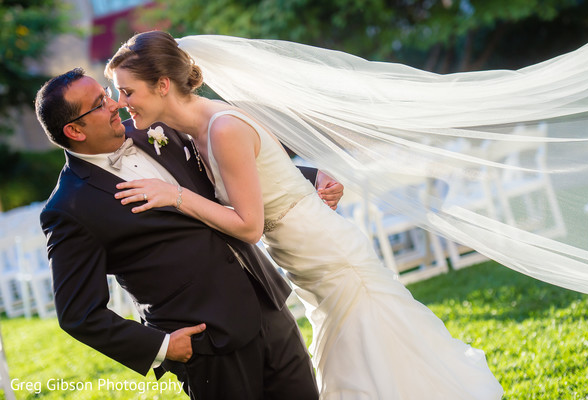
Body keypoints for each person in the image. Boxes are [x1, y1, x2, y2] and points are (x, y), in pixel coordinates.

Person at [106, 30, 504, 399]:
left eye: (126, 91)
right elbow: (264, 176)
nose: (120, 103)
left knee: (378, 360)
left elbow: (248, 225)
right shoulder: (189, 130)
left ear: (162, 85)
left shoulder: (223, 128)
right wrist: (310, 177)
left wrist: (175, 196)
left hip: (328, 257)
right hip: (304, 263)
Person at [34, 68, 343, 399]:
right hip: (207, 345)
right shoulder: (69, 208)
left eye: (106, 94)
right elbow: (78, 314)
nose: (114, 104)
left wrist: (309, 178)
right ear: (74, 130)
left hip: (266, 303)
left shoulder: (153, 130)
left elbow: (229, 169)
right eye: (99, 103)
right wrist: (164, 346)